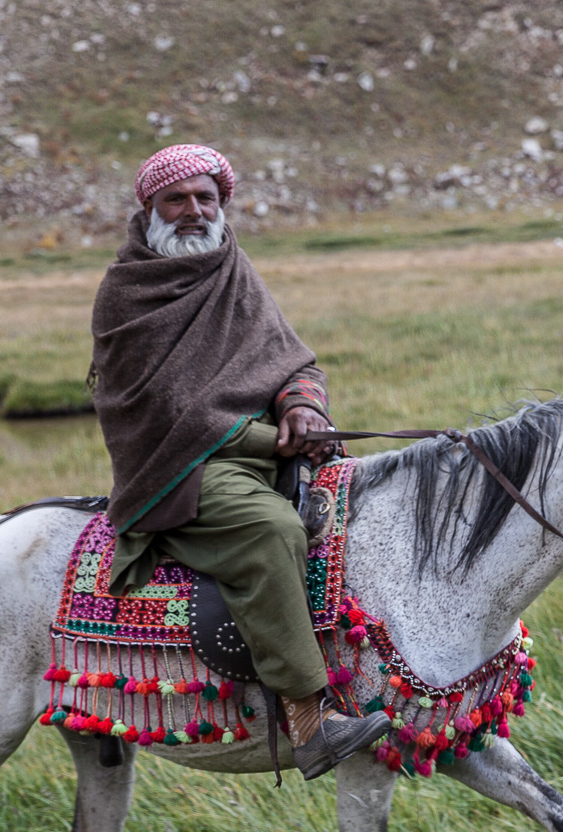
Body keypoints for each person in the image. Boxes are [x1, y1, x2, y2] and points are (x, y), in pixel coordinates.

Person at [87, 143, 390, 779]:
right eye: (178, 199)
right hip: (183, 471)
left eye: (205, 198)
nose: (194, 211)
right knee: (273, 530)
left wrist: (303, 409)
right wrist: (277, 441)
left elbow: (292, 362)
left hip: (269, 449)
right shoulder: (126, 292)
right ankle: (311, 720)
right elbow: (167, 414)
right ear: (151, 207)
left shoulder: (233, 267)